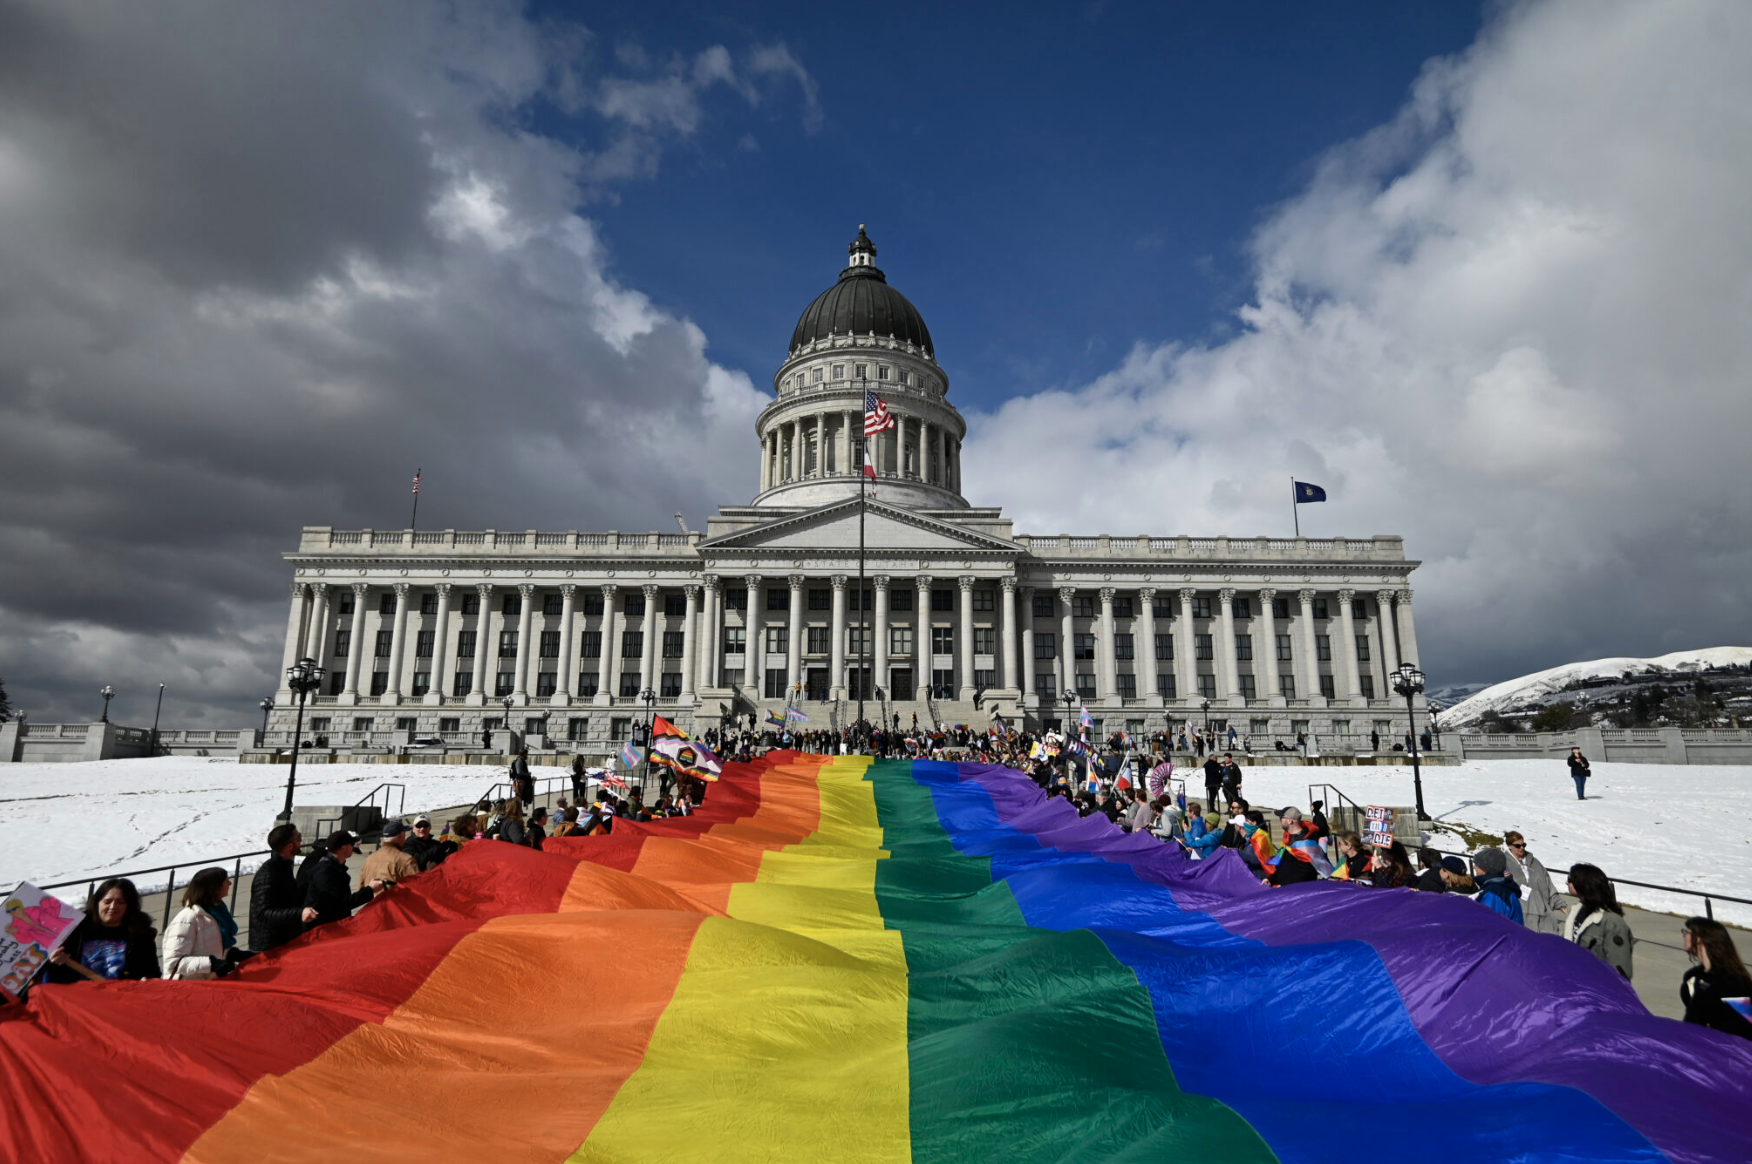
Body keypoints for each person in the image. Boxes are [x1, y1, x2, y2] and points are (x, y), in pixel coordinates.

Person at [45, 878, 160, 983]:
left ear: (129, 906)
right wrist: (54, 961)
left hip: (120, 996)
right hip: (76, 995)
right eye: (107, 901)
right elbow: (53, 972)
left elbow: (152, 972)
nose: (113, 907)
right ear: (97, 902)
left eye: (120, 902)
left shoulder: (141, 935)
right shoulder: (75, 928)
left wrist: (147, 980)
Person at [162, 868, 250, 980]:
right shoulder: (187, 919)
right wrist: (212, 964)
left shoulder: (216, 913)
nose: (230, 883)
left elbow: (209, 947)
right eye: (226, 880)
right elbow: (173, 963)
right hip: (188, 986)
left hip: (209, 983)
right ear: (215, 888)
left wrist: (232, 954)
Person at [1678, 917, 1752, 1041]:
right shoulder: (1694, 977)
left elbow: (1746, 1023)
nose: (1684, 936)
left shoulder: (1732, 982)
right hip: (1697, 1042)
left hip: (1725, 1047)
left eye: (1687, 932)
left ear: (1699, 938)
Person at [250, 823, 317, 952]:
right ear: (289, 845)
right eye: (298, 838)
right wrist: (300, 912)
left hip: (283, 941)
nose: (301, 842)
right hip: (269, 947)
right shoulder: (269, 873)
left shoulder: (283, 867)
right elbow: (263, 913)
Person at [303, 831, 385, 930]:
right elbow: (340, 904)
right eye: (351, 844)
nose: (353, 847)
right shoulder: (324, 872)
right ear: (343, 848)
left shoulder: (335, 867)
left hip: (332, 925)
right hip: (322, 929)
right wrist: (370, 889)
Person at [1564, 863, 1632, 979]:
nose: (1567, 883)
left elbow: (1620, 970)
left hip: (1593, 985)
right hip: (1572, 980)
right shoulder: (1576, 910)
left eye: (1570, 880)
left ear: (1583, 884)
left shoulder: (1613, 922)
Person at [1502, 831, 1565, 935]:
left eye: (1523, 845)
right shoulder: (1503, 863)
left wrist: (1559, 903)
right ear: (1509, 846)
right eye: (1518, 846)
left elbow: (1548, 883)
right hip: (1520, 915)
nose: (1521, 848)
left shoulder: (1534, 862)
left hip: (1543, 914)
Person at [360, 820, 421, 888]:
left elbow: (361, 888)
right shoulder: (405, 860)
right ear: (401, 835)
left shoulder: (369, 859)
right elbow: (417, 887)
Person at [1472, 848, 1524, 923]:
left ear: (1486, 869)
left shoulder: (1494, 892)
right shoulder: (1501, 888)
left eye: (1477, 864)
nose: (1474, 867)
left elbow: (1487, 924)